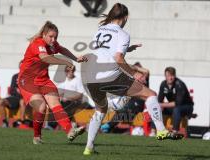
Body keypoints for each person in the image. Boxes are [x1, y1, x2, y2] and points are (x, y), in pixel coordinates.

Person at [81, 3, 183, 155]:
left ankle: (88, 148)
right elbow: (117, 57)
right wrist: (133, 73)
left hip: (91, 76)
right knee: (150, 94)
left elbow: (104, 50)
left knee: (100, 109)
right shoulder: (123, 34)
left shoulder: (99, 30)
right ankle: (161, 130)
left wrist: (126, 48)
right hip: (109, 75)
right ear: (125, 17)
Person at [18, 21, 88, 144]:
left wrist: (76, 58)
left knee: (56, 105)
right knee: (41, 107)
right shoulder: (37, 43)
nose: (53, 39)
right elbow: (45, 57)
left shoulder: (52, 44)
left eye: (55, 37)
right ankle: (37, 137)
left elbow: (62, 49)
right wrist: (65, 62)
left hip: (43, 79)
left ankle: (70, 131)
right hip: (28, 81)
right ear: (44, 34)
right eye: (51, 36)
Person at [158, 67, 194, 133]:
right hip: (174, 106)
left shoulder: (179, 84)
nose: (170, 78)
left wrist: (162, 104)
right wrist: (159, 106)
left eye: (172, 75)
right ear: (165, 76)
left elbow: (177, 103)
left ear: (174, 76)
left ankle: (175, 131)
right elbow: (159, 100)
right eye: (168, 76)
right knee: (156, 109)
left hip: (187, 106)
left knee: (176, 109)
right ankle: (155, 131)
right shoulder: (163, 84)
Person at [0, 63, 25, 128]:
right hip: (15, 97)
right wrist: (17, 90)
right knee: (0, 102)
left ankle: (21, 122)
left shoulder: (29, 77)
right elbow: (11, 90)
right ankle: (5, 122)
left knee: (22, 101)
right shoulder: (15, 76)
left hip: (24, 98)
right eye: (20, 66)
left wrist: (22, 91)